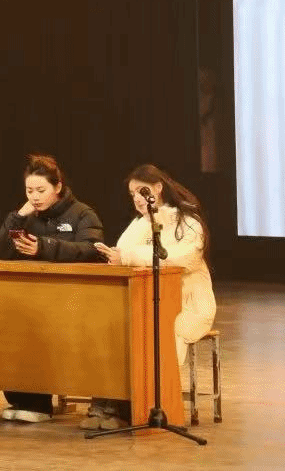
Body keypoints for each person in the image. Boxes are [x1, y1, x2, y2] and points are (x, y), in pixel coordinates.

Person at [88, 163, 216, 430]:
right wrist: (114, 257)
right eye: (132, 193)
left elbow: (183, 258)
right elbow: (123, 253)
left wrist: (128, 256)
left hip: (188, 303)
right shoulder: (139, 224)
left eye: (142, 191)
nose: (137, 198)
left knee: (163, 332)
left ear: (158, 188)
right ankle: (110, 404)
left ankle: (148, 407)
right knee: (115, 329)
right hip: (148, 301)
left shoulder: (187, 221)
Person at [0, 153, 104, 423]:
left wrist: (44, 247)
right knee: (11, 327)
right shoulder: (27, 216)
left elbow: (92, 249)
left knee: (42, 330)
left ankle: (40, 403)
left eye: (41, 190)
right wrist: (17, 217)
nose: (35, 197)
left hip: (72, 298)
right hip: (30, 297)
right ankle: (22, 398)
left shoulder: (82, 213)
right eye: (29, 191)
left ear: (58, 187)